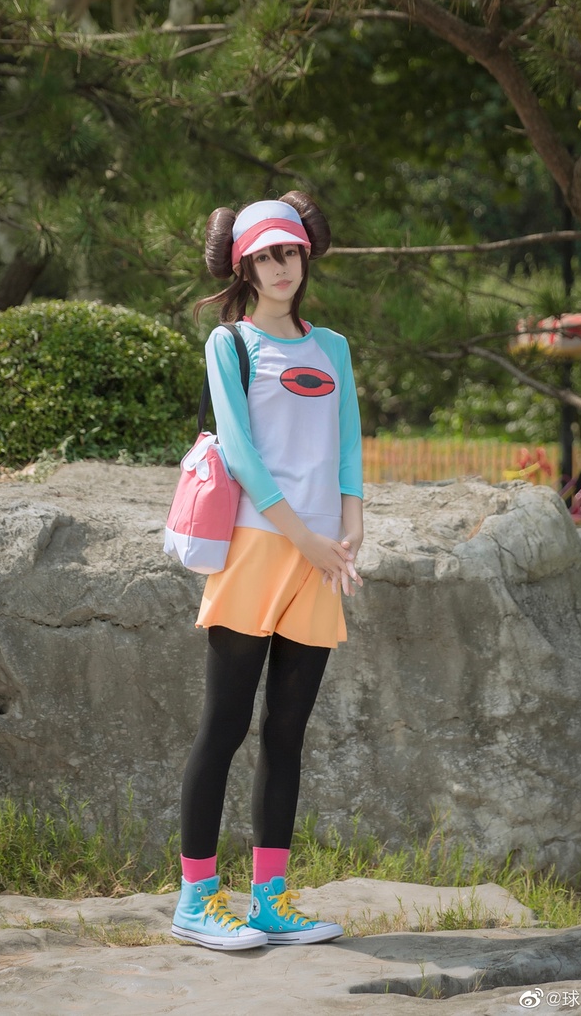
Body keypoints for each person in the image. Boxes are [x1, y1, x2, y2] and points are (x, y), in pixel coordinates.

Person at [171, 191, 364, 951]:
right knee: (224, 727)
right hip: (258, 548)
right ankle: (195, 901)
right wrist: (305, 538)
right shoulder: (231, 344)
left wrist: (349, 527)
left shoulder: (333, 348)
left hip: (322, 557)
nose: (281, 267)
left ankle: (270, 901)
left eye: (290, 253)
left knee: (287, 733)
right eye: (265, 257)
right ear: (243, 267)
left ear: (305, 256)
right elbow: (242, 455)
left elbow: (348, 445)